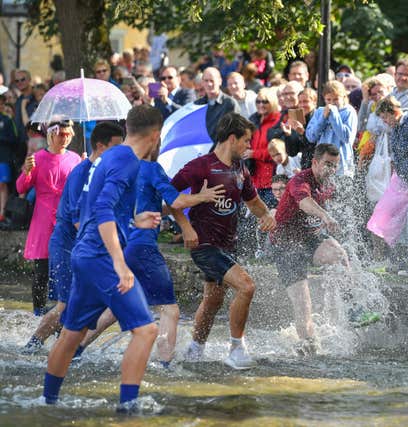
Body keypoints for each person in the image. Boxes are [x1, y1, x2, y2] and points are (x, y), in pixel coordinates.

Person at [41, 105, 164, 412]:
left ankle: (47, 402)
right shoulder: (127, 161)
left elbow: (101, 206)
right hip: (100, 257)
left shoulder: (110, 155)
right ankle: (128, 409)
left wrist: (136, 220)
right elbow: (103, 210)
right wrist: (120, 263)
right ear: (155, 134)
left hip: (85, 254)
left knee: (72, 333)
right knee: (146, 330)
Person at [74, 144, 227, 367]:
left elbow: (154, 206)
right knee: (170, 309)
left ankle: (76, 348)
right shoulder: (152, 169)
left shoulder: (118, 168)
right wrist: (203, 196)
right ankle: (165, 366)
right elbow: (176, 202)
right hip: (143, 248)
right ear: (153, 141)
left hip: (121, 245)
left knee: (116, 308)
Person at [170, 112, 276, 368]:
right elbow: (168, 196)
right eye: (246, 141)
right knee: (246, 286)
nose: (249, 146)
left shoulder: (240, 169)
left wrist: (269, 216)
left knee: (213, 300)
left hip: (228, 245)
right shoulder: (201, 166)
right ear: (232, 138)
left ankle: (195, 350)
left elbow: (253, 202)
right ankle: (236, 350)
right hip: (204, 244)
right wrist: (185, 227)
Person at [21, 122, 125, 354]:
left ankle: (71, 348)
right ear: (100, 146)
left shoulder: (98, 169)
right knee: (66, 304)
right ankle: (33, 347)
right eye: (116, 147)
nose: (119, 154)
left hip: (82, 244)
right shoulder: (82, 173)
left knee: (94, 301)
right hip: (67, 243)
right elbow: (79, 220)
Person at [271, 143, 349, 354]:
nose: (331, 170)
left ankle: (352, 305)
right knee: (303, 304)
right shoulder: (299, 181)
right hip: (285, 245)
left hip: (308, 239)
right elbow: (305, 202)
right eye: (327, 165)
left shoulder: (329, 184)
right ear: (315, 163)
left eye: (335, 166)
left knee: (339, 254)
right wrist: (325, 216)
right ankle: (310, 349)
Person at [16, 120, 82, 315]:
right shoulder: (37, 158)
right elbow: (20, 188)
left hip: (68, 217)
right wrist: (26, 171)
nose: (65, 138)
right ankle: (38, 312)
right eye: (61, 134)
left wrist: (87, 166)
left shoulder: (76, 158)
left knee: (68, 267)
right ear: (51, 135)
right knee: (42, 271)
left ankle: (63, 310)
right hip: (44, 218)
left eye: (68, 134)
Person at [305, 81, 357, 177]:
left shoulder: (349, 112)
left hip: (341, 166)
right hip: (322, 165)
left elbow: (346, 137)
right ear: (324, 99)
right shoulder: (320, 112)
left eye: (336, 99)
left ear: (344, 97)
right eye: (329, 99)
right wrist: (323, 118)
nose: (332, 103)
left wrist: (335, 116)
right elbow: (311, 136)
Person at [246, 88, 281, 208]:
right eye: (258, 101)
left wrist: (254, 154)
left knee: (271, 219)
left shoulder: (278, 120)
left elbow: (278, 151)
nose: (261, 104)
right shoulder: (253, 120)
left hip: (272, 180)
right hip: (255, 179)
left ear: (273, 102)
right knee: (258, 221)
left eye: (265, 101)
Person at [194, 67, 240, 145]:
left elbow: (234, 132)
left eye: (212, 80)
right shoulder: (197, 104)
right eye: (206, 81)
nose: (209, 84)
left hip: (221, 152)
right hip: (201, 152)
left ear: (220, 81)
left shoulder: (229, 104)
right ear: (202, 82)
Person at [0, 103, 17, 223]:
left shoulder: (7, 120)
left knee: (2, 185)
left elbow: (14, 139)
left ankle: (2, 213)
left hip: (4, 158)